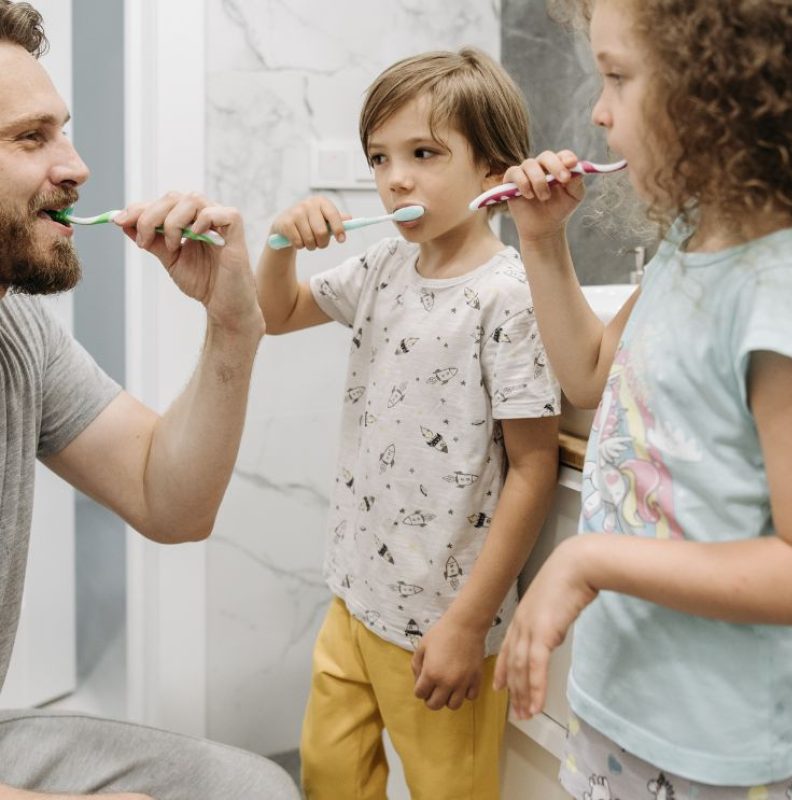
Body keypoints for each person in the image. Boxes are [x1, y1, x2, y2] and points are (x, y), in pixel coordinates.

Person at [494, 0, 792, 798]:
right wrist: (541, 240)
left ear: (718, 89)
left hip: (714, 745)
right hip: (622, 704)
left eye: (619, 78)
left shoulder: (779, 291)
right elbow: (591, 374)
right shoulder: (690, 237)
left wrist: (591, 558)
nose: (597, 111)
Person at [0, 3, 299, 798]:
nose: (76, 165)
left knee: (254, 789)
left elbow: (171, 502)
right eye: (31, 138)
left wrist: (234, 325)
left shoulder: (17, 331)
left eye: (62, 130)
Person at [257, 47, 561, 800]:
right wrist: (277, 245)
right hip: (355, 595)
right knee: (329, 772)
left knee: (446, 788)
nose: (395, 177)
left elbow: (533, 468)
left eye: (424, 154)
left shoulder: (510, 298)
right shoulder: (383, 268)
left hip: (441, 622)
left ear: (493, 173)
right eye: (380, 157)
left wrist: (467, 623)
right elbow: (275, 311)